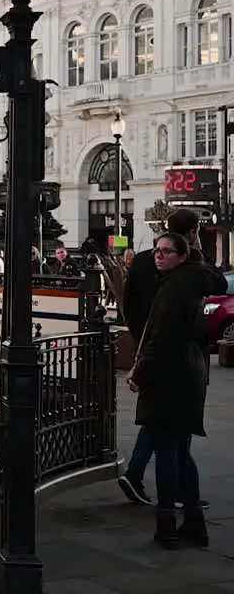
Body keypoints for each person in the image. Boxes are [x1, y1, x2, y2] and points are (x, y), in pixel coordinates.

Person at [130, 231, 223, 548]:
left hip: (169, 378)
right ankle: (195, 523)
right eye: (156, 251)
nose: (159, 256)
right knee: (181, 452)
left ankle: (167, 523)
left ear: (182, 256)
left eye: (167, 252)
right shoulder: (192, 282)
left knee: (167, 453)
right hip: (189, 375)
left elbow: (160, 340)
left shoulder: (174, 288)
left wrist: (140, 375)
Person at [118, 209, 215, 509]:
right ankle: (177, 505)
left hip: (152, 349)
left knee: (159, 424)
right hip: (176, 357)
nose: (161, 257)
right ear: (191, 233)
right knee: (174, 436)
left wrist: (139, 339)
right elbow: (215, 284)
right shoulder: (187, 270)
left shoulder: (146, 262)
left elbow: (129, 304)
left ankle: (147, 481)